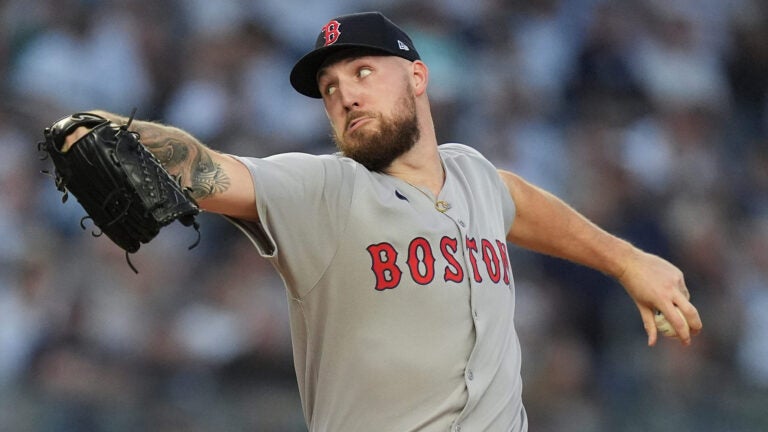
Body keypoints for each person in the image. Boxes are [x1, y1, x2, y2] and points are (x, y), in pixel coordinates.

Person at [61, 11, 702, 432]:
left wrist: (625, 260)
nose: (345, 95)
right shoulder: (327, 189)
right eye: (331, 87)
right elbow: (214, 169)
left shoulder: (473, 173)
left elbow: (520, 202)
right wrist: (106, 132)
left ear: (418, 78)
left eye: (363, 72)